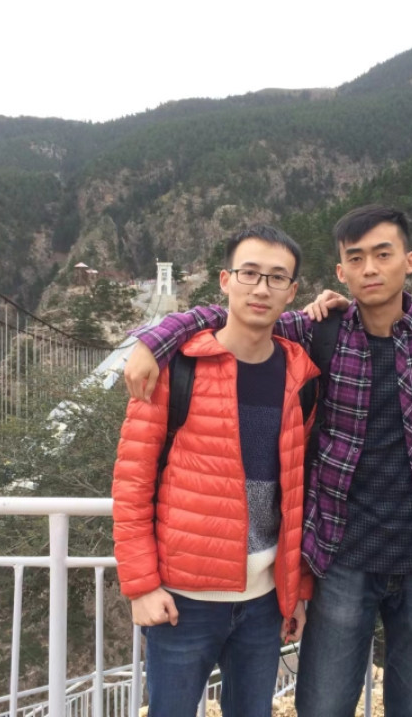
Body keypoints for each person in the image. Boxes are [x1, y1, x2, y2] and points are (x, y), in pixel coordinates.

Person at [124, 205, 412, 717]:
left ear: (411, 261)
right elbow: (238, 315)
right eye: (357, 258)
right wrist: (152, 341)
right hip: (341, 561)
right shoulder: (320, 335)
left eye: (383, 255)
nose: (371, 269)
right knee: (322, 708)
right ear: (341, 272)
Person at [112, 224, 318, 717]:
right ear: (226, 280)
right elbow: (132, 484)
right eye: (249, 273)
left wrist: (296, 590)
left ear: (292, 292)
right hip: (183, 602)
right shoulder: (177, 369)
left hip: (265, 601)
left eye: (276, 277)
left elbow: (300, 494)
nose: (261, 288)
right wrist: (142, 586)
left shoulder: (302, 378)